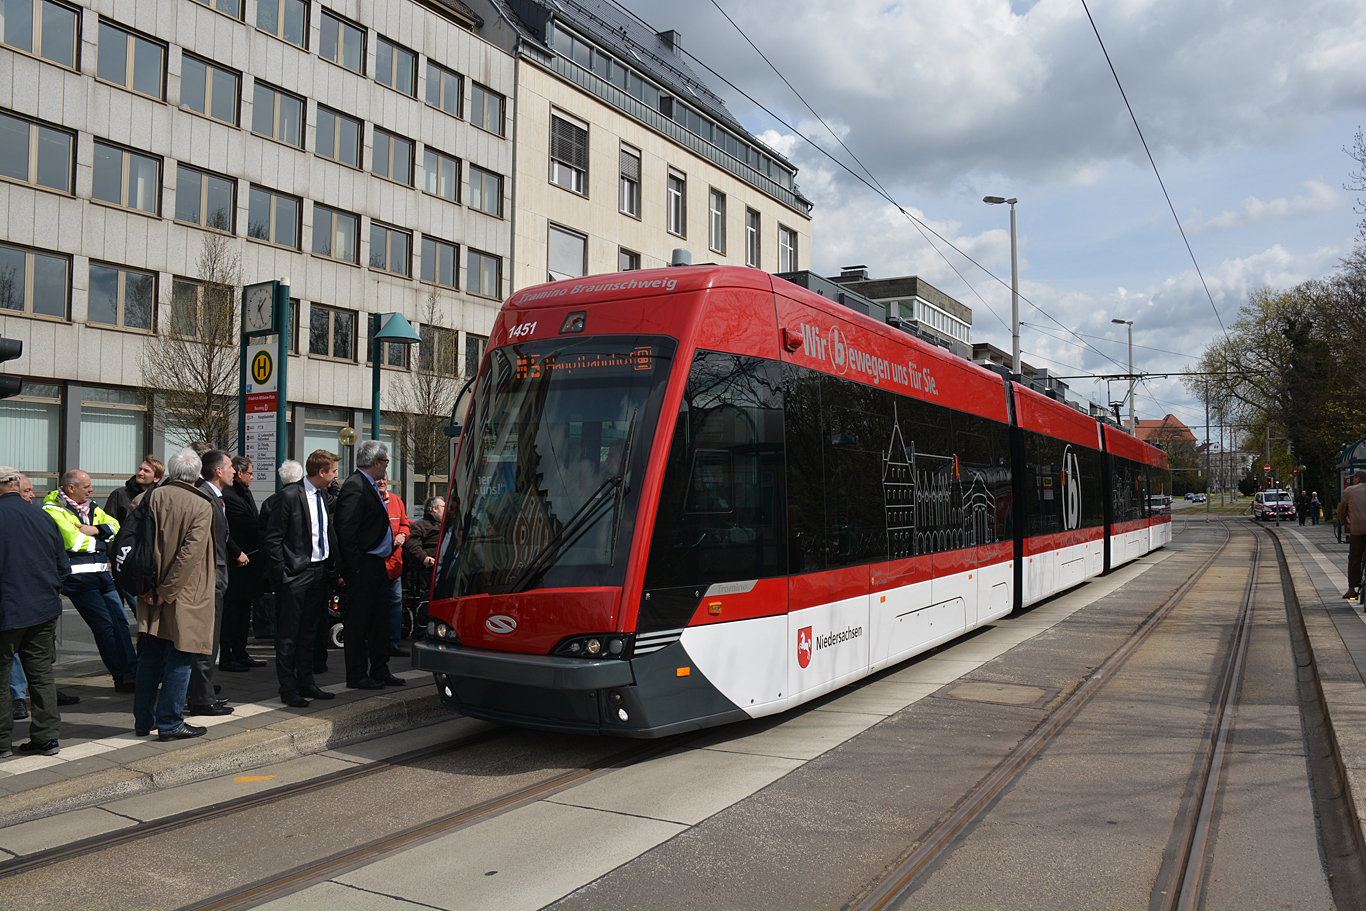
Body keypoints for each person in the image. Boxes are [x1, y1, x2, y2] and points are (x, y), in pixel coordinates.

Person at [132, 448, 218, 740]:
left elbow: (126, 543)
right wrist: (166, 592)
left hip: (148, 588)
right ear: (197, 475)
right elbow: (189, 555)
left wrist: (146, 589)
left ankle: (144, 720)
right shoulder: (200, 504)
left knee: (150, 656)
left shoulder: (146, 498)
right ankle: (170, 722)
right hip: (184, 592)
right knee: (181, 654)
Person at [42, 469, 138, 691]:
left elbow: (117, 527)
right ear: (70, 488)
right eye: (86, 487)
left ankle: (131, 671)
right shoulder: (53, 510)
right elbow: (73, 542)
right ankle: (121, 675)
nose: (91, 490)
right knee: (104, 627)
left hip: (103, 576)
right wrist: (101, 539)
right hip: (78, 580)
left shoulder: (91, 507)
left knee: (121, 623)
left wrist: (94, 529)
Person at [0, 466, 71, 758]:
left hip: (7, 610)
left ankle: (2, 742)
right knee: (41, 674)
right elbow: (63, 566)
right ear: (16, 485)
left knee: (2, 676)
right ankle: (47, 738)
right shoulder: (42, 516)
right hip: (43, 607)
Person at [264, 450, 340, 707]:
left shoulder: (323, 494)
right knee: (289, 634)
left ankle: (306, 682)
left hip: (319, 572)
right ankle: (287, 687)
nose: (336, 475)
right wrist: (282, 573)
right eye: (333, 471)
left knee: (310, 631)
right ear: (321, 472)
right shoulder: (288, 496)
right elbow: (273, 538)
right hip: (295, 574)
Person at [335, 441, 404, 690]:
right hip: (364, 565)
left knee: (379, 620)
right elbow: (346, 529)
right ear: (376, 463)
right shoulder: (355, 486)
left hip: (377, 563)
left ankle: (379, 668)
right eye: (385, 462)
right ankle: (356, 674)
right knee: (358, 622)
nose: (386, 467)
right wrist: (355, 566)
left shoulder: (369, 485)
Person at [9, 475, 79, 719]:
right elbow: (63, 567)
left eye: (31, 491)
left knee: (38, 666)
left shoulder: (41, 517)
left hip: (30, 606)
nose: (31, 495)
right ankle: (42, 731)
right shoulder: (43, 517)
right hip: (35, 605)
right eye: (26, 490)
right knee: (36, 668)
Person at [184, 448, 239, 717]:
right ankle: (200, 699)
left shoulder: (216, 497)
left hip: (216, 576)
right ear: (218, 471)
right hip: (208, 579)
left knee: (210, 641)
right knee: (205, 640)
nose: (234, 472)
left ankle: (201, 692)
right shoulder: (205, 497)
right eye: (230, 467)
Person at [220, 456, 266, 671]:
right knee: (232, 612)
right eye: (249, 473)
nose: (252, 477)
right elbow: (247, 523)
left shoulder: (243, 492)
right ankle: (228, 655)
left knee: (243, 610)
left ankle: (240, 651)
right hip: (235, 562)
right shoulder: (229, 496)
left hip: (249, 562)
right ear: (239, 473)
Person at [255, 460, 305, 640]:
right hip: (300, 566)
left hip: (281, 567)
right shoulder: (305, 500)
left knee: (283, 615)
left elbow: (264, 538)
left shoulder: (271, 502)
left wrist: (275, 566)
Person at [377, 477, 410, 656]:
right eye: (378, 479)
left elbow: (405, 524)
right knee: (375, 605)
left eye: (385, 479)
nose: (382, 482)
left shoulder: (396, 501)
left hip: (394, 565)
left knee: (395, 603)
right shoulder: (369, 500)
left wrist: (403, 536)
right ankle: (375, 643)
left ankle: (392, 643)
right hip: (375, 565)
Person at [404, 496, 445, 638]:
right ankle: (421, 630)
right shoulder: (420, 525)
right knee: (431, 593)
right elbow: (411, 546)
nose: (446, 509)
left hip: (446, 566)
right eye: (443, 506)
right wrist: (425, 559)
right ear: (434, 509)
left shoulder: (448, 525)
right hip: (428, 568)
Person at [103, 456, 164, 522]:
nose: (140, 473)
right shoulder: (119, 495)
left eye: (146, 471)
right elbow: (108, 524)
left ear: (156, 478)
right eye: (140, 469)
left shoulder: (160, 497)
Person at [1340, 470, 1366, 600]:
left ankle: (1352, 588)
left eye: (1354, 478)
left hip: (1358, 530)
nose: (1353, 480)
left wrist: (1344, 521)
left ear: (1359, 479)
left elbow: (1341, 509)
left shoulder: (1350, 491)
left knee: (1355, 558)